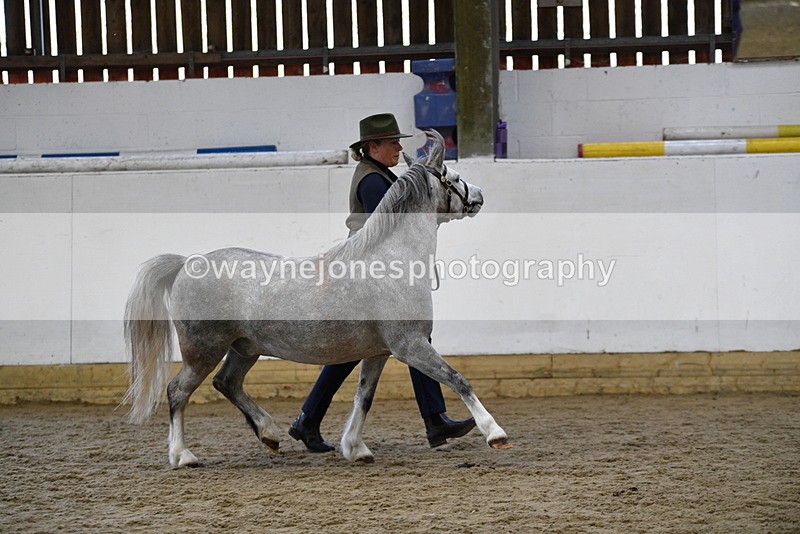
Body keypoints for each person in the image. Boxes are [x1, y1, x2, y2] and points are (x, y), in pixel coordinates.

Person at [288, 113, 476, 452]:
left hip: (369, 273)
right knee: (413, 339)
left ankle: (309, 419)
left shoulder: (380, 174)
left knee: (352, 351)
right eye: (393, 142)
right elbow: (388, 232)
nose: (399, 148)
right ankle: (434, 420)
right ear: (372, 146)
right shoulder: (372, 181)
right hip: (367, 276)